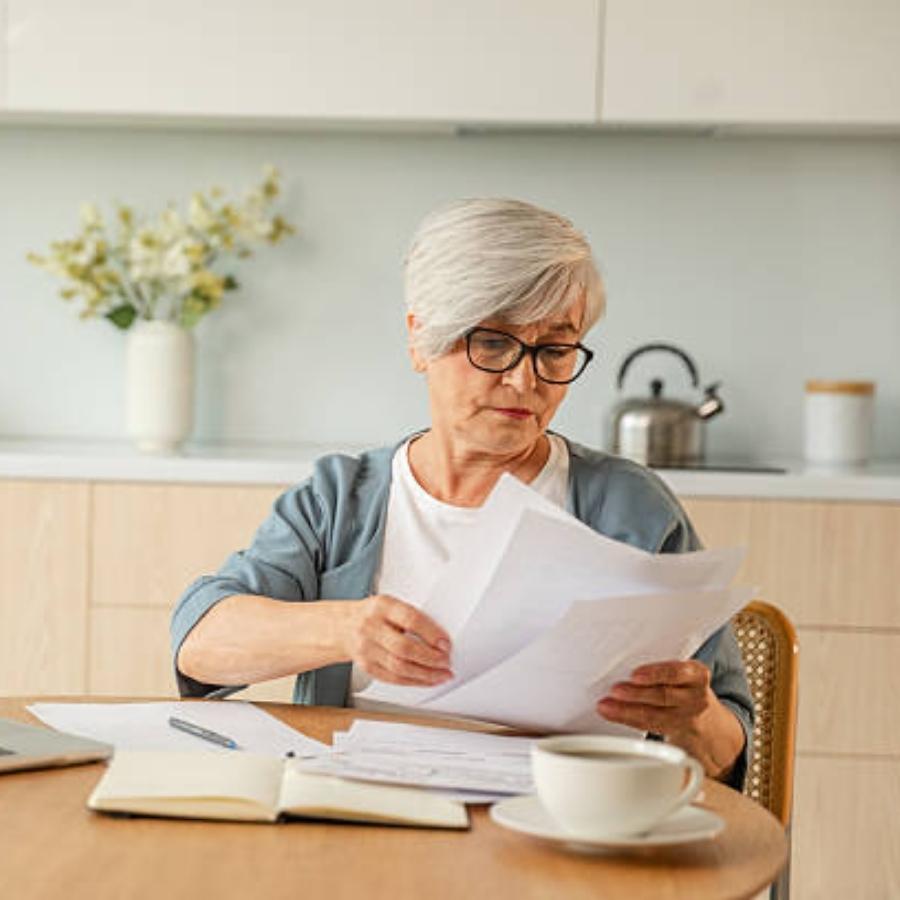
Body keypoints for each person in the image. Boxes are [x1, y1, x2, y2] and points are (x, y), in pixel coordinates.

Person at [171, 198, 753, 788]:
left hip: (561, 836)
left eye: (554, 350)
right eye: (494, 343)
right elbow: (200, 643)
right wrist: (345, 630)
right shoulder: (341, 499)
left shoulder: (632, 508)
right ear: (421, 339)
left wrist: (692, 718)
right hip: (367, 819)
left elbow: (728, 751)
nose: (525, 381)